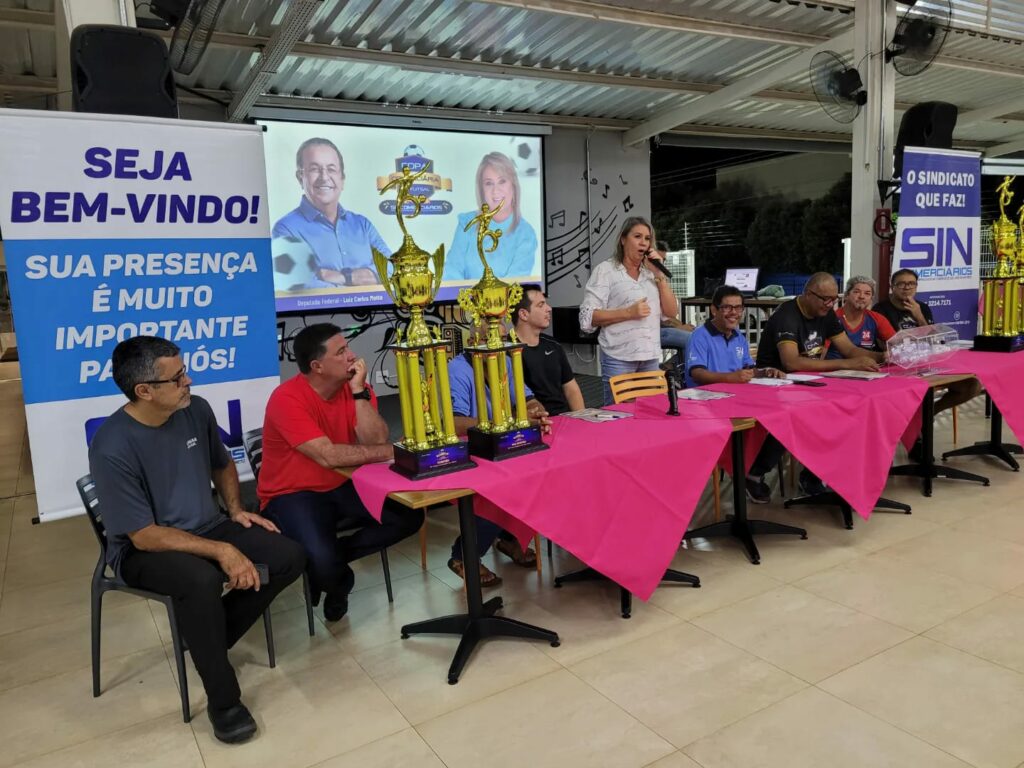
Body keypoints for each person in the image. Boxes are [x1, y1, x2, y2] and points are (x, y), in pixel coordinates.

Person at [88, 336, 305, 745]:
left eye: (184, 371)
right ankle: (224, 702)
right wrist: (224, 551)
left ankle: (207, 637)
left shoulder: (195, 409)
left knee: (289, 556)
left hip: (207, 524)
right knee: (200, 582)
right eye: (178, 377)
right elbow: (145, 535)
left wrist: (236, 511)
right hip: (142, 548)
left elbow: (221, 463)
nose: (189, 380)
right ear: (145, 391)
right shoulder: (112, 446)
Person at [258, 324, 424, 622]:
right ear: (317, 366)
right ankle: (339, 582)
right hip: (292, 493)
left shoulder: (356, 388)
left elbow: (374, 440)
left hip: (345, 483)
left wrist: (359, 392)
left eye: (347, 348)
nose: (352, 356)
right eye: (341, 352)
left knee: (410, 515)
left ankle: (330, 560)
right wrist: (392, 451)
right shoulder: (287, 398)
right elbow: (330, 456)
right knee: (323, 561)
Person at [746, 273, 881, 502]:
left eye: (833, 299)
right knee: (797, 417)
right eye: (825, 299)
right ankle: (756, 474)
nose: (830, 305)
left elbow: (849, 349)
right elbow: (791, 363)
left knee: (845, 410)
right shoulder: (787, 316)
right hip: (773, 382)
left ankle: (812, 475)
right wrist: (845, 363)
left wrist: (883, 356)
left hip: (808, 383)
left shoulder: (826, 313)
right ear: (808, 294)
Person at [447, 331, 553, 587]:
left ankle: (510, 537)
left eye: (503, 336)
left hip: (505, 444)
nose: (499, 342)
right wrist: (507, 423)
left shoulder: (504, 360)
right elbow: (455, 423)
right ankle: (462, 556)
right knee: (496, 490)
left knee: (541, 472)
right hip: (471, 448)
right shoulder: (458, 369)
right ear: (474, 342)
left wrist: (537, 413)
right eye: (492, 336)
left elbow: (527, 398)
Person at [874, 268, 981, 452]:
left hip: (925, 363)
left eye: (911, 284)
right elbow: (886, 345)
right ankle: (915, 440)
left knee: (972, 385)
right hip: (897, 367)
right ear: (892, 287)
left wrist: (919, 316)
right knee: (915, 393)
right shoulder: (880, 309)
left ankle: (928, 415)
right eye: (901, 284)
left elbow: (935, 339)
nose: (907, 288)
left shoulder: (921, 307)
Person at [579, 216, 679, 405]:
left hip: (649, 357)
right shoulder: (606, 271)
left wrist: (659, 276)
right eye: (637, 236)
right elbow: (587, 318)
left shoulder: (651, 273)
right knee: (620, 416)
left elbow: (671, 312)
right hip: (619, 358)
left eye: (647, 238)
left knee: (651, 414)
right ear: (623, 240)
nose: (643, 242)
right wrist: (628, 313)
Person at [272, 137, 390, 289]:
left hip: (376, 311)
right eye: (314, 169)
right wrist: (367, 281)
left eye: (331, 169)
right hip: (322, 314)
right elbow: (302, 286)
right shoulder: (286, 229)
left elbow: (393, 267)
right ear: (300, 178)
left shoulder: (362, 225)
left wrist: (346, 277)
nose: (324, 177)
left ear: (342, 179)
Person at [444, 152, 539, 281]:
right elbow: (452, 272)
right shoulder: (466, 223)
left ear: (513, 185)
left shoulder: (526, 234)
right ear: (481, 189)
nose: (496, 190)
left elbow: (514, 285)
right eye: (489, 183)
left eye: (502, 181)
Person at [684, 285, 785, 388]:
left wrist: (766, 372)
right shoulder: (699, 335)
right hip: (702, 398)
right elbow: (697, 374)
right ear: (714, 310)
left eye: (738, 308)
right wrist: (730, 378)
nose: (734, 312)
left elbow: (749, 371)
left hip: (732, 394)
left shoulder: (739, 337)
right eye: (727, 307)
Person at [512, 284, 585, 415]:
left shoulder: (553, 345)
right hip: (534, 422)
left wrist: (582, 419)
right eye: (541, 305)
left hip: (565, 418)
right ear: (523, 314)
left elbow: (571, 389)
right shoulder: (507, 352)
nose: (549, 309)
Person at [825, 275, 896, 362]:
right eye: (856, 292)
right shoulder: (832, 318)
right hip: (834, 370)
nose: (862, 296)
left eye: (867, 293)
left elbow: (896, 344)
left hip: (867, 370)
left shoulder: (877, 319)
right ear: (846, 295)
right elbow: (821, 356)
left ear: (871, 299)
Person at [654, 241, 695, 383]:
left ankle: (670, 367)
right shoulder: (644, 280)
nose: (661, 263)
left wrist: (681, 325)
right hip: (653, 330)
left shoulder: (660, 278)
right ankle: (675, 371)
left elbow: (670, 312)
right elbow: (653, 318)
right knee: (693, 339)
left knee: (700, 335)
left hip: (665, 327)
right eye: (657, 260)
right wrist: (678, 327)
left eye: (663, 260)